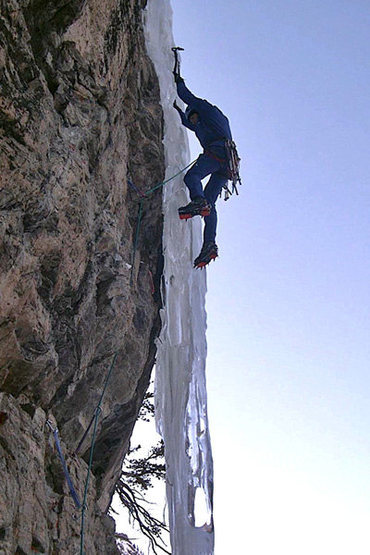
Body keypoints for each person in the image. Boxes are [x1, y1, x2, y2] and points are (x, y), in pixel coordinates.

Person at [173, 74, 233, 268]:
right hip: (227, 165)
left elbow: (189, 98)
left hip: (218, 153)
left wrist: (178, 83)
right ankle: (209, 244)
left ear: (197, 112)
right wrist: (177, 112)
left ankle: (198, 202)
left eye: (193, 115)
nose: (194, 120)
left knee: (193, 176)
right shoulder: (201, 123)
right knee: (210, 203)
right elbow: (188, 124)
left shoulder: (207, 110)